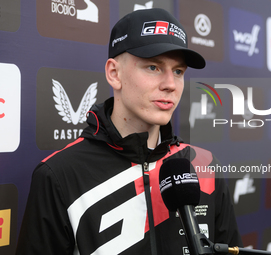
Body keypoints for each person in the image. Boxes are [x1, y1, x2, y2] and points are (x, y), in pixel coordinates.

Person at [16, 8, 242, 255]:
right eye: (153, 67)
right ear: (114, 73)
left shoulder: (205, 166)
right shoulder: (59, 175)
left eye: (178, 71)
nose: (170, 84)